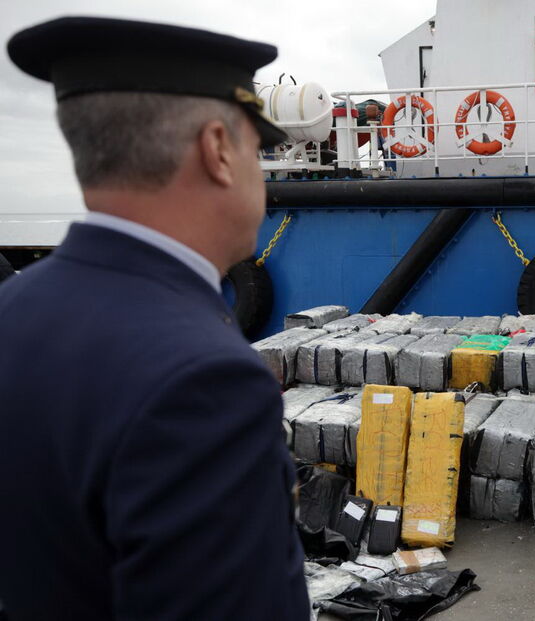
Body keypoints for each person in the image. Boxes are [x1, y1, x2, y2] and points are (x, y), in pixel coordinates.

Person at [0, 17, 309, 620]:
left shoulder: (13, 311)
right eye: (259, 147)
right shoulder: (206, 382)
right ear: (218, 149)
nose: (264, 173)